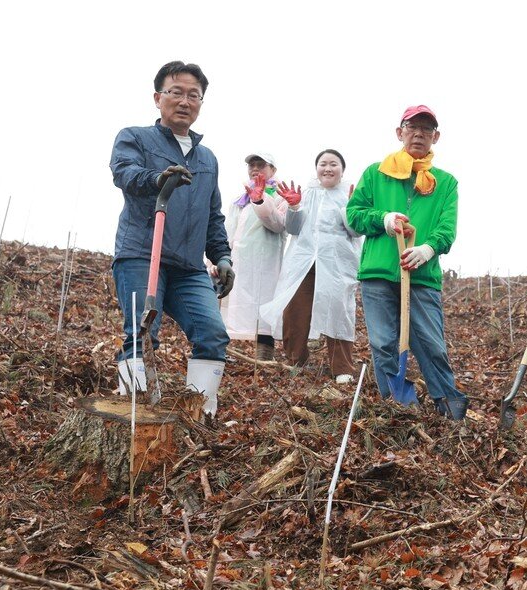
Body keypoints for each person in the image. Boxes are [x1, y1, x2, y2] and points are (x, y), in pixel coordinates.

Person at [110, 60, 232, 417]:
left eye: (194, 95)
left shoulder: (207, 158)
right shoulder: (134, 137)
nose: (184, 101)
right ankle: (134, 418)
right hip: (142, 255)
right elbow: (125, 173)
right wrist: (156, 179)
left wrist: (222, 256)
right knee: (142, 332)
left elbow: (214, 215)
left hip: (189, 266)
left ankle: (202, 416)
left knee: (212, 332)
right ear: (157, 97)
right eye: (175, 92)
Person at [344, 105, 468, 418]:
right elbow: (354, 216)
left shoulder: (446, 183)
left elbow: (446, 228)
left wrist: (427, 249)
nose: (419, 134)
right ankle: (398, 407)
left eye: (426, 129)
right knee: (384, 343)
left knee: (431, 343)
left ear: (435, 137)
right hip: (378, 272)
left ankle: (448, 403)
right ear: (400, 133)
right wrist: (383, 219)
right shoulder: (376, 173)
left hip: (422, 276)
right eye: (412, 127)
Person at [259, 149, 362, 382]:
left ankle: (342, 368)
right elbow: (293, 229)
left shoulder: (350, 194)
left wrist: (350, 209)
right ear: (316, 169)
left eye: (333, 164)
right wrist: (294, 207)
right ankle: (296, 361)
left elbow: (356, 231)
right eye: (323, 164)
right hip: (303, 261)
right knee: (295, 309)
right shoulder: (306, 193)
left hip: (337, 263)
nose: (328, 168)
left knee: (339, 311)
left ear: (342, 170)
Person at [222, 152, 289, 361]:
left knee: (263, 309)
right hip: (239, 260)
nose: (255, 169)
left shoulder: (281, 195)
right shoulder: (240, 199)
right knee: (230, 306)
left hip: (265, 261)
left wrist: (261, 200)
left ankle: (264, 357)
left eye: (261, 164)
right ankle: (222, 353)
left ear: (273, 169)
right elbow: (228, 229)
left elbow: (278, 224)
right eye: (251, 165)